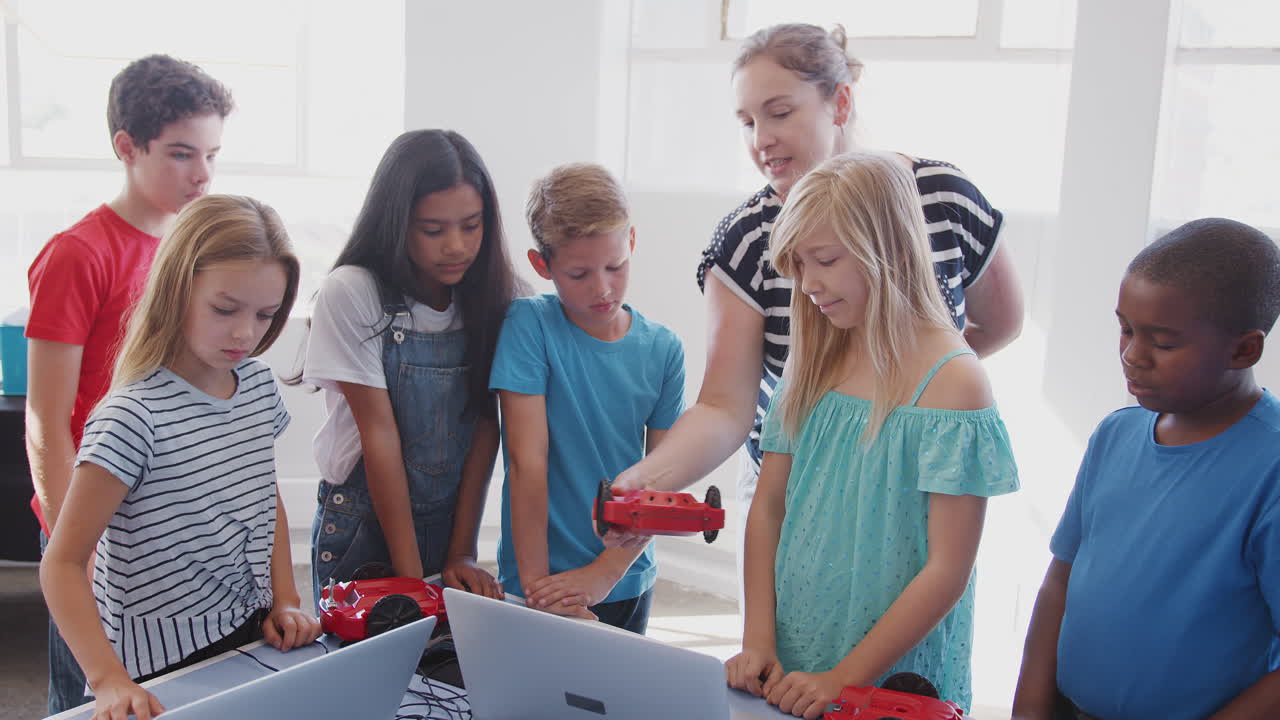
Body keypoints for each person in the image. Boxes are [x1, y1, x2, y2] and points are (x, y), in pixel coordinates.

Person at [608, 24, 1024, 580]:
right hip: (794, 481)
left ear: (841, 102)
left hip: (909, 480)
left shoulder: (944, 198)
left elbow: (998, 323)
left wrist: (907, 393)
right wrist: (647, 480)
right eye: (748, 122)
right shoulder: (747, 239)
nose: (761, 140)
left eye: (779, 113)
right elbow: (725, 406)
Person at [723, 152, 1018, 718]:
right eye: (798, 265)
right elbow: (768, 510)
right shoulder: (813, 359)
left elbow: (947, 569)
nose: (808, 284)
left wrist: (843, 678)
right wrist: (757, 638)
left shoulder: (955, 384)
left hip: (886, 676)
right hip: (796, 653)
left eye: (826, 260)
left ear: (886, 250)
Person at [39, 195, 318, 720]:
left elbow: (266, 498)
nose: (245, 334)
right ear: (176, 290)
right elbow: (62, 563)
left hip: (247, 630)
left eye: (265, 314)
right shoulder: (132, 417)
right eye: (224, 309)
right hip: (157, 665)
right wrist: (108, 682)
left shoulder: (257, 386)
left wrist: (286, 597)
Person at [23, 53, 232, 714]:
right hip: (89, 517)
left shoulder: (183, 247)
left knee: (156, 684)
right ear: (126, 146)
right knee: (87, 693)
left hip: (158, 513)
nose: (202, 175)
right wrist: (69, 542)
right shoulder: (78, 254)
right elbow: (46, 418)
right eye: (180, 154)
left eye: (211, 154)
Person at [1012, 218, 1280, 720]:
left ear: (1244, 349)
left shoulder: (1272, 468)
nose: (1132, 355)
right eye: (1126, 329)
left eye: (1163, 342)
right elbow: (1058, 585)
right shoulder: (1115, 435)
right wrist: (1029, 708)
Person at [301, 130, 524, 601]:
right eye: (433, 230)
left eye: (472, 225)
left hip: (449, 524)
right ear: (396, 222)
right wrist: (412, 583)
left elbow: (487, 428)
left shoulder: (503, 297)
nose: (458, 247)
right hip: (362, 525)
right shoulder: (354, 292)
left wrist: (462, 552)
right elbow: (378, 437)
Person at [490, 163, 685, 633]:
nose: (602, 288)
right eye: (579, 273)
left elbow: (665, 479)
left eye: (615, 267)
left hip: (625, 577)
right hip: (536, 577)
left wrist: (606, 572)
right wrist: (537, 586)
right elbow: (526, 461)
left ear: (632, 242)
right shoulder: (528, 326)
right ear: (543, 265)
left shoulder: (663, 349)